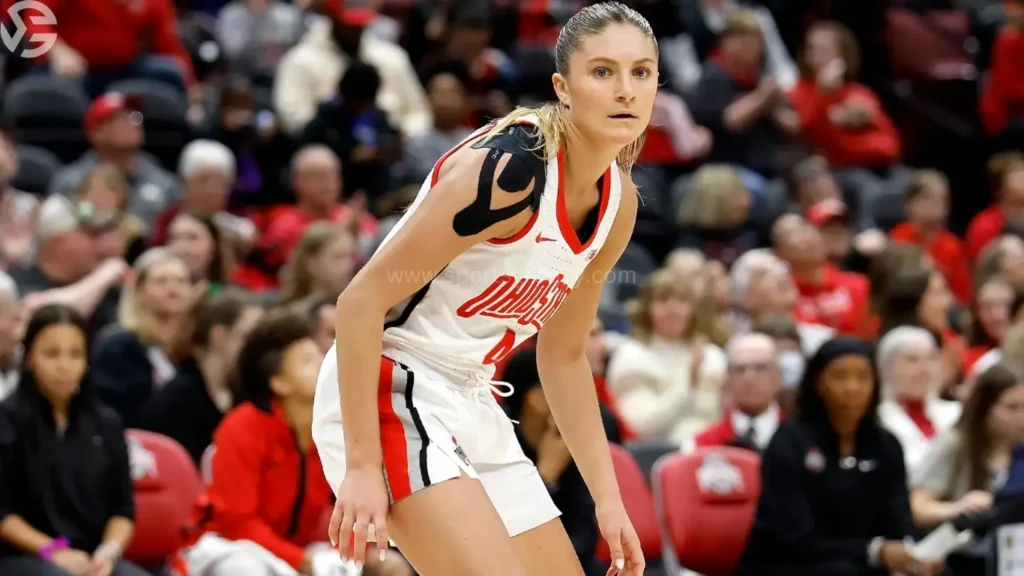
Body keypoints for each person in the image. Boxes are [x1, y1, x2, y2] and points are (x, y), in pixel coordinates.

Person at [310, 2, 655, 575]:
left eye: (640, 72)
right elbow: (360, 302)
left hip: (474, 397)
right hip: (391, 383)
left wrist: (610, 499)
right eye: (603, 72)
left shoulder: (619, 204)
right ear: (562, 87)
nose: (625, 90)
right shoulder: (507, 172)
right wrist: (364, 467)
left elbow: (565, 355)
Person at [736, 337, 944, 576]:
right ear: (818, 383)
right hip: (789, 565)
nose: (852, 387)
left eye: (862, 377)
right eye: (839, 376)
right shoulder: (789, 442)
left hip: (866, 564)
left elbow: (899, 523)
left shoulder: (886, 445)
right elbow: (793, 537)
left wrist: (913, 556)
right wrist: (872, 551)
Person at [0, 305, 148, 576]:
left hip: (90, 554)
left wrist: (108, 552)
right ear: (29, 358)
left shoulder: (107, 423)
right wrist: (53, 550)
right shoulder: (6, 420)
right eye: (51, 354)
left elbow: (123, 508)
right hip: (24, 556)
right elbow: (2, 513)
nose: (64, 365)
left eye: (75, 354)